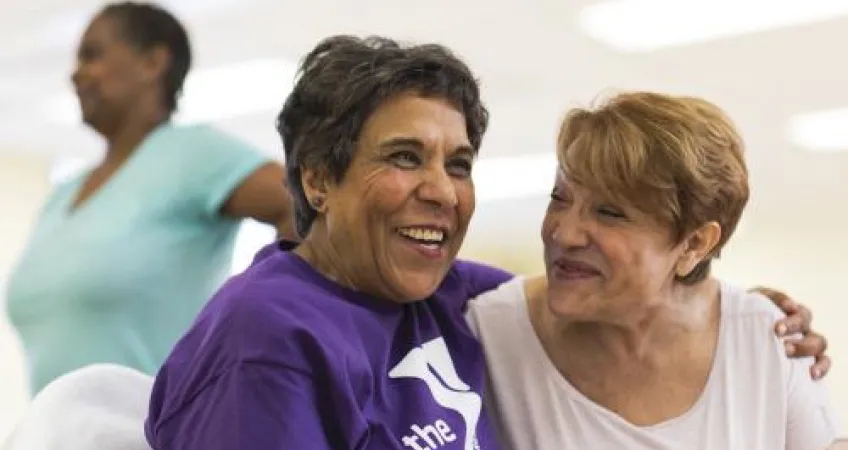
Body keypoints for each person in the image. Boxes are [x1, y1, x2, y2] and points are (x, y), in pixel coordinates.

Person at [144, 37, 831, 450]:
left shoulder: (443, 293)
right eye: (405, 157)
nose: (441, 190)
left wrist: (739, 313)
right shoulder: (266, 337)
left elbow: (598, 292)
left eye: (460, 164)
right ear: (319, 178)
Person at [465, 92, 843, 449]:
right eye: (559, 199)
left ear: (695, 244)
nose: (564, 233)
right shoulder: (490, 330)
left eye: (609, 213)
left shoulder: (768, 338)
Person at [5, 1, 294, 395]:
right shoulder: (63, 194)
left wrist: (269, 327)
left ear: (152, 63)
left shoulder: (192, 154)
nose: (76, 73)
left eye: (93, 55)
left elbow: (300, 203)